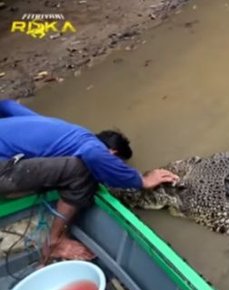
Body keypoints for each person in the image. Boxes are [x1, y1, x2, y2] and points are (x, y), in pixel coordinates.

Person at [0, 99, 179, 262]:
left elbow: (7, 105)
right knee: (82, 170)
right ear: (112, 153)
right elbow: (93, 155)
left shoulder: (52, 126)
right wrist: (141, 180)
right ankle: (55, 241)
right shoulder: (92, 146)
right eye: (116, 163)